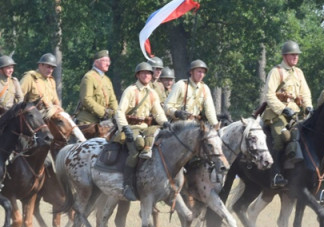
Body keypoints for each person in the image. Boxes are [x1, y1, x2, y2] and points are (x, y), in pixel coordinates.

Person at [116, 62, 168, 201]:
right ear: (138, 75)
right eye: (143, 73)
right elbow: (120, 111)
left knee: (158, 141)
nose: (146, 75)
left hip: (146, 127)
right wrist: (124, 127)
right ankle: (127, 185)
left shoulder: (152, 93)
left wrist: (166, 123)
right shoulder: (130, 90)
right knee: (136, 147)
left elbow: (158, 113)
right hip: (131, 127)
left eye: (149, 73)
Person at [262, 40, 312, 187]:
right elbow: (269, 95)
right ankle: (276, 174)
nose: (296, 57)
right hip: (278, 115)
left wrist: (308, 106)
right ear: (285, 56)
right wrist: (283, 109)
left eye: (297, 55)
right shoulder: (276, 72)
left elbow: (305, 93)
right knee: (280, 137)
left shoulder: (299, 72)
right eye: (292, 55)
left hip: (296, 114)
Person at [74, 49, 118, 130]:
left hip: (103, 122)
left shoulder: (107, 80)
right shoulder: (89, 77)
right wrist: (103, 112)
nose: (108, 64)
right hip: (87, 122)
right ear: (96, 62)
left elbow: (113, 100)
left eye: (109, 61)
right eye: (105, 61)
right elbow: (86, 99)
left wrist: (116, 114)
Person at [165, 59, 218, 126]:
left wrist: (215, 125)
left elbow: (210, 111)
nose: (201, 75)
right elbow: (167, 106)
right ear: (191, 71)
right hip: (178, 125)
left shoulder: (205, 88)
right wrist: (176, 113)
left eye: (203, 72)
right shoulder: (180, 85)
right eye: (199, 71)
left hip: (195, 125)